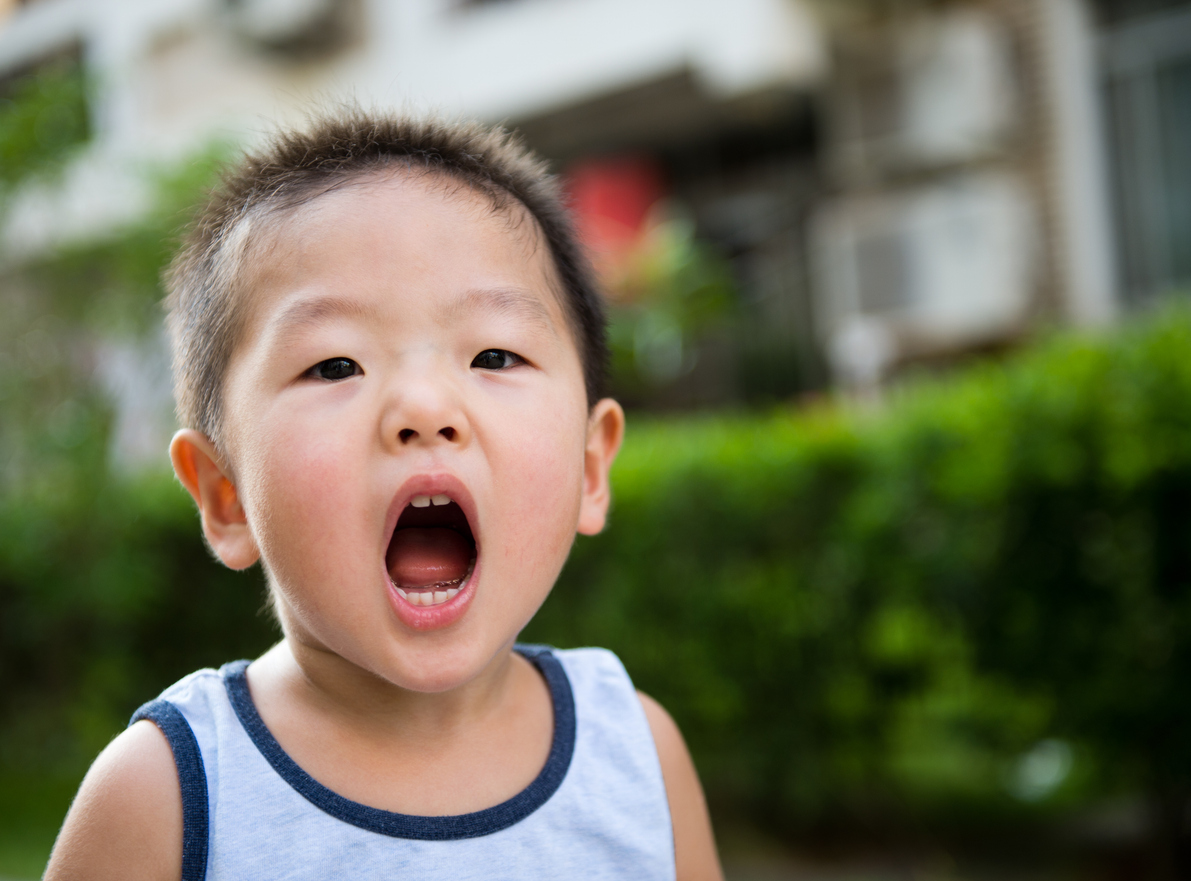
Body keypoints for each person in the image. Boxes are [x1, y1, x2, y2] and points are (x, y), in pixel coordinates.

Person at [43, 113, 723, 881]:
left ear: (590, 469)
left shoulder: (635, 751)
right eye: (335, 365)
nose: (424, 407)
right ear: (225, 494)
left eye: (493, 354)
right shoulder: (166, 798)